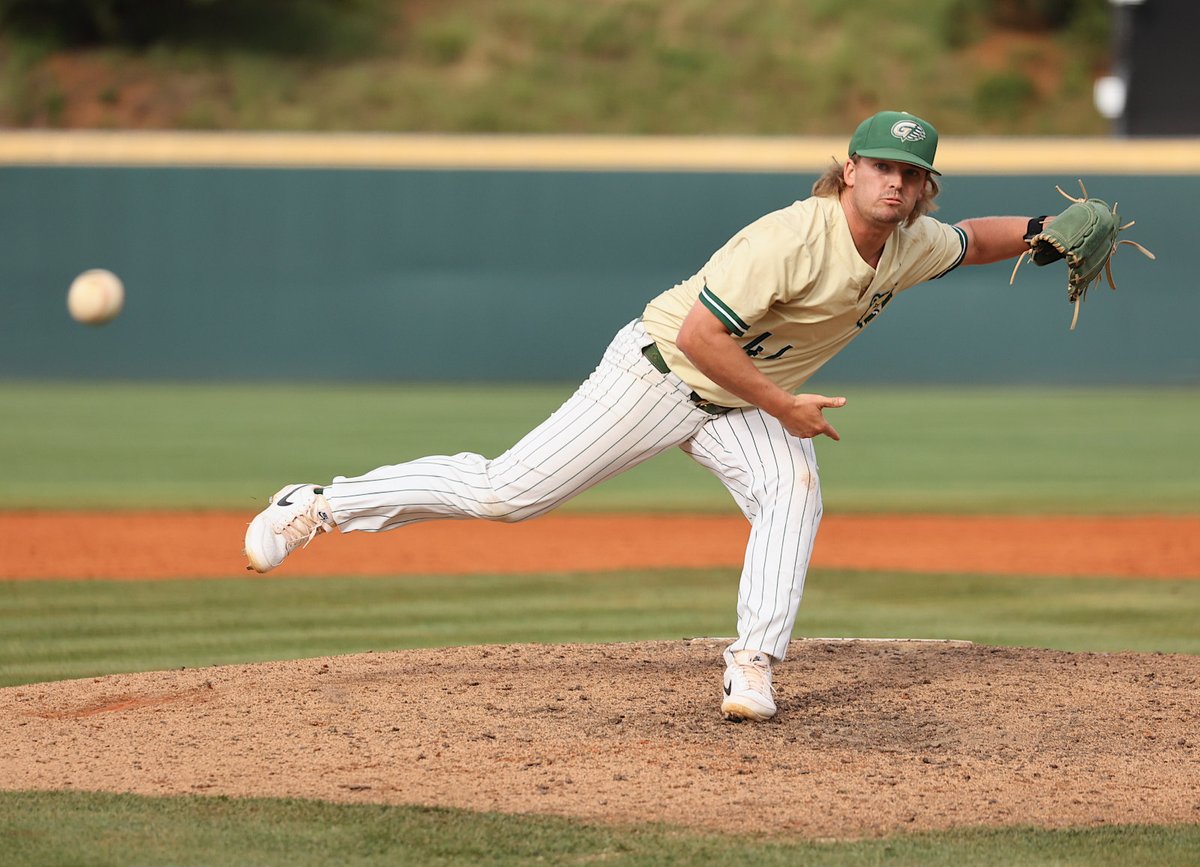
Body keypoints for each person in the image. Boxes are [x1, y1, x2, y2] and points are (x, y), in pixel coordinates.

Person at [244, 110, 1051, 722]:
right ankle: (319, 503)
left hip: (743, 399)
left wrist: (1044, 233)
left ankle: (753, 664)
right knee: (508, 494)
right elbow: (703, 336)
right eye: (881, 168)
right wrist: (783, 406)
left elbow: (973, 240)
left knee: (794, 494)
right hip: (663, 373)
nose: (896, 185)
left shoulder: (910, 240)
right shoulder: (788, 241)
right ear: (847, 171)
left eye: (912, 175)